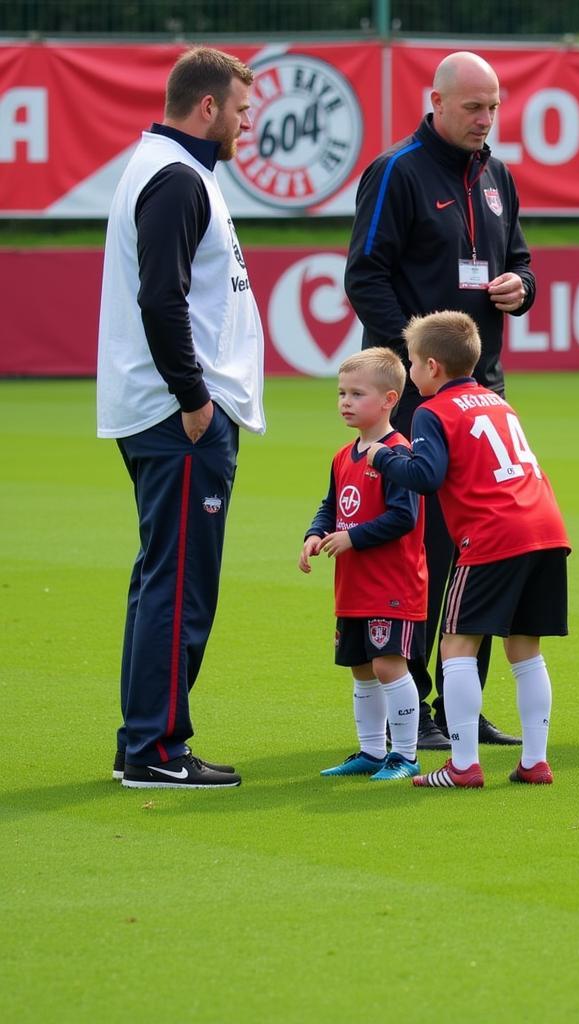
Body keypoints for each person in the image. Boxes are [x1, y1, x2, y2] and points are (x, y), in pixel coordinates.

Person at [344, 49, 535, 750]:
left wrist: (522, 286)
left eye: (493, 106)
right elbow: (364, 275)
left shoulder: (498, 176)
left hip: (480, 395)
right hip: (418, 397)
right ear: (437, 102)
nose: (486, 120)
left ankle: (463, 702)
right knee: (417, 549)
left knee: (478, 545)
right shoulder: (397, 170)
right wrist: (415, 365)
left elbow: (518, 259)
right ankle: (416, 704)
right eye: (473, 107)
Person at [96, 47, 265, 789]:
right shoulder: (174, 177)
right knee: (180, 585)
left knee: (161, 578)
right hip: (179, 415)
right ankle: (157, 750)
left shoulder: (174, 170)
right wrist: (195, 398)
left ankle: (143, 739)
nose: (244, 124)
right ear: (207, 107)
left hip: (168, 410)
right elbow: (161, 300)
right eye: (239, 111)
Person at [366, 311, 569, 788]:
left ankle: (461, 765)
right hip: (545, 528)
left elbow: (426, 476)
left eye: (412, 362)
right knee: (526, 649)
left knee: (456, 644)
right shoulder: (498, 403)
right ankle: (535, 761)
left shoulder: (431, 411)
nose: (410, 371)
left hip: (493, 534)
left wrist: (384, 456)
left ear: (432, 366)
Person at [299, 349, 427, 781]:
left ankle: (405, 754)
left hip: (393, 583)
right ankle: (372, 752)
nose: (345, 402)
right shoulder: (342, 455)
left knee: (388, 664)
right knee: (360, 665)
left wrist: (352, 537)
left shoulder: (399, 454)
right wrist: (315, 534)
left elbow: (403, 517)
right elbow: (332, 505)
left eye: (357, 393)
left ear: (389, 399)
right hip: (352, 584)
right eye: (341, 393)